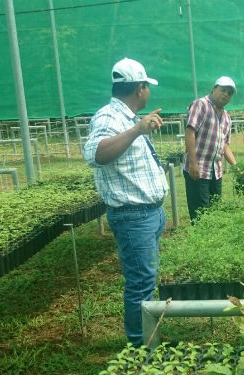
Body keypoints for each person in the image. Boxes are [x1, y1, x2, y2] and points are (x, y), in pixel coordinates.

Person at [83, 57, 168, 347]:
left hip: (149, 214)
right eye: (147, 87)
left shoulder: (128, 118)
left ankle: (147, 334)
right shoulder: (109, 117)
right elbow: (96, 154)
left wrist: (139, 129)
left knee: (147, 278)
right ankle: (140, 345)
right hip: (134, 218)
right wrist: (136, 131)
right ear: (140, 88)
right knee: (141, 283)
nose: (148, 93)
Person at [183, 76, 238, 223]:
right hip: (198, 170)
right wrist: (193, 163)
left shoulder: (227, 117)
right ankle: (200, 244)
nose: (226, 94)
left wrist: (236, 166)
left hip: (216, 172)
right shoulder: (201, 105)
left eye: (230, 93)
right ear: (214, 89)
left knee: (215, 212)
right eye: (223, 90)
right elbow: (190, 132)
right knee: (200, 215)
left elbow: (224, 145)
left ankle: (211, 243)